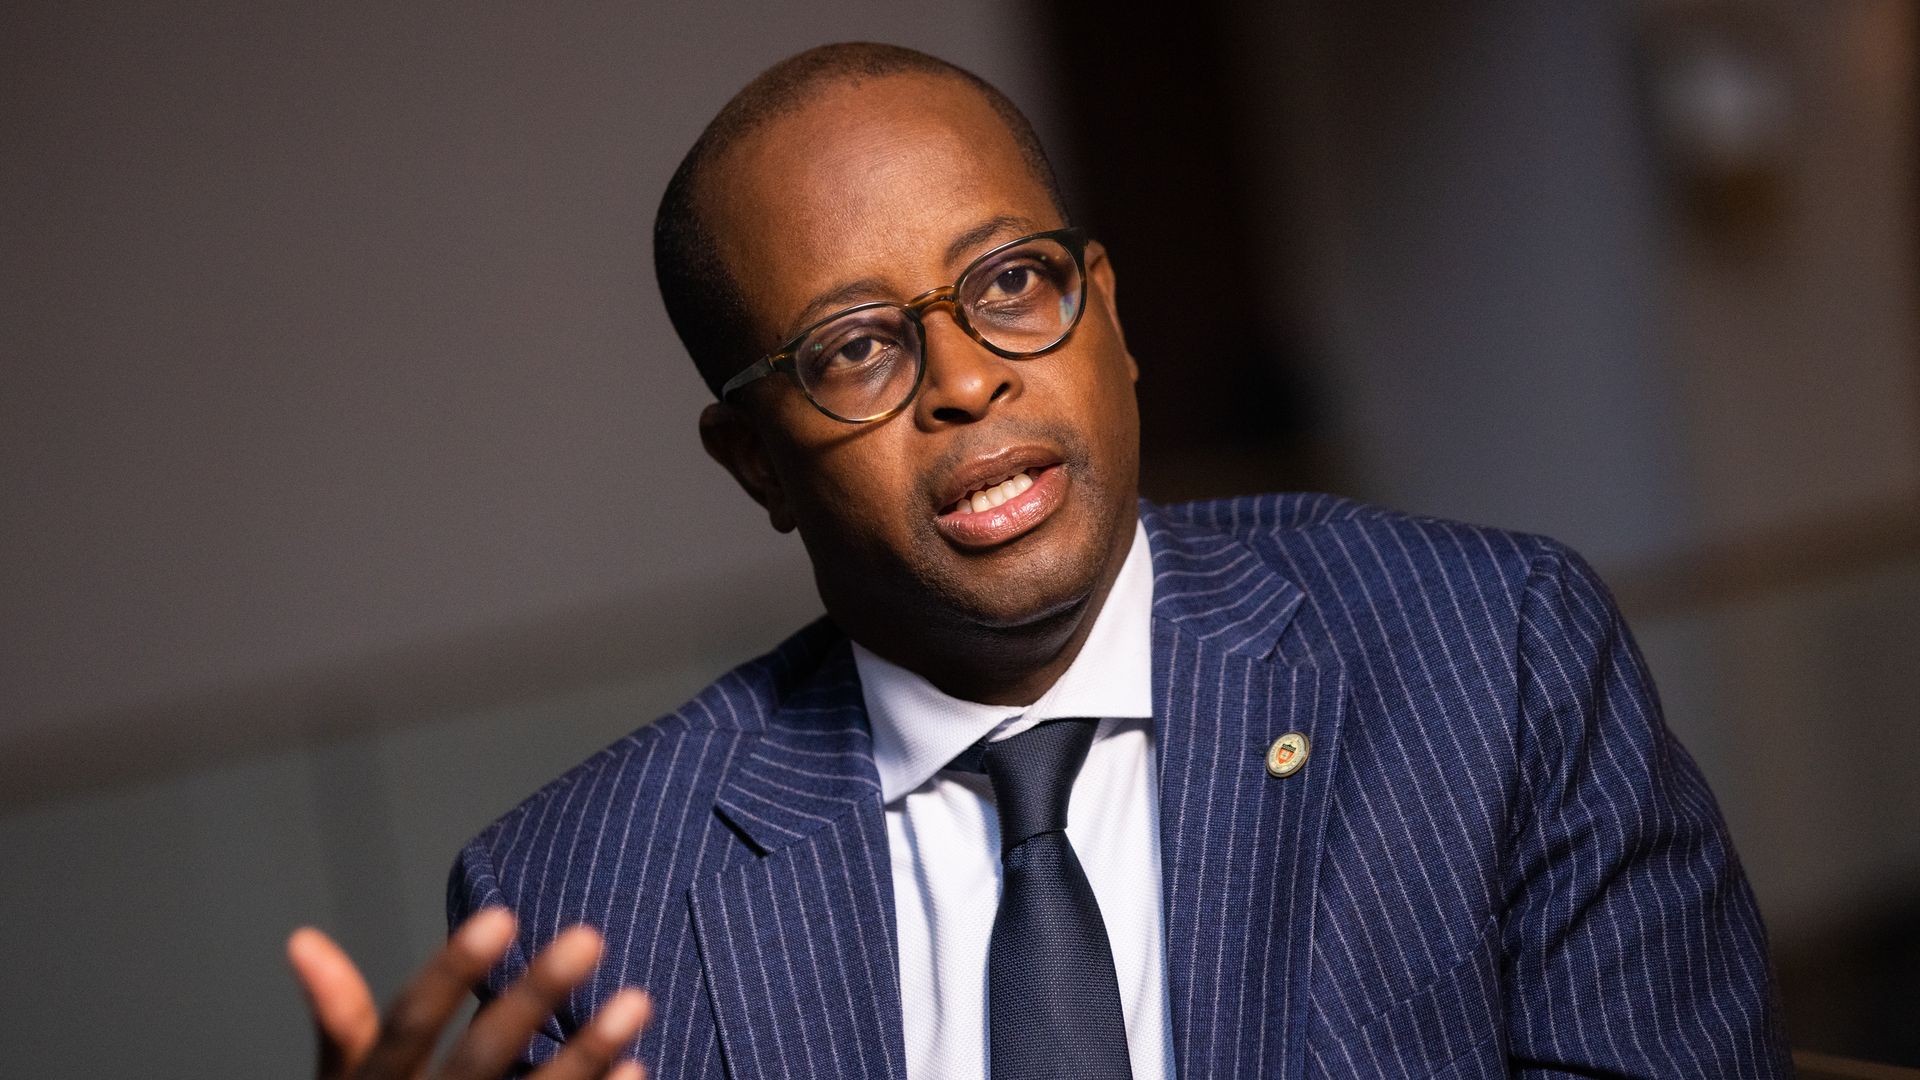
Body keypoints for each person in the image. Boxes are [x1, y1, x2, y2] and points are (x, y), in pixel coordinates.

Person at [285, 41, 1793, 1080]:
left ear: (1110, 318)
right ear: (755, 463)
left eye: (1011, 282)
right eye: (855, 348)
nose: (966, 379)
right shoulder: (573, 904)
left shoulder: (1489, 660)